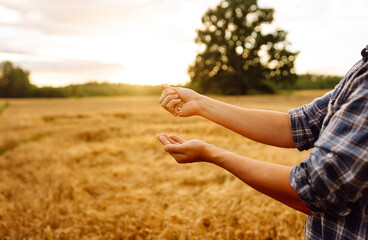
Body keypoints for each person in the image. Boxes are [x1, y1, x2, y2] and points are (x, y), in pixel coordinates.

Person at [156, 45, 368, 239]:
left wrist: (211, 153)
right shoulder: (362, 66)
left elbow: (314, 192)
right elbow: (299, 124)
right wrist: (201, 104)